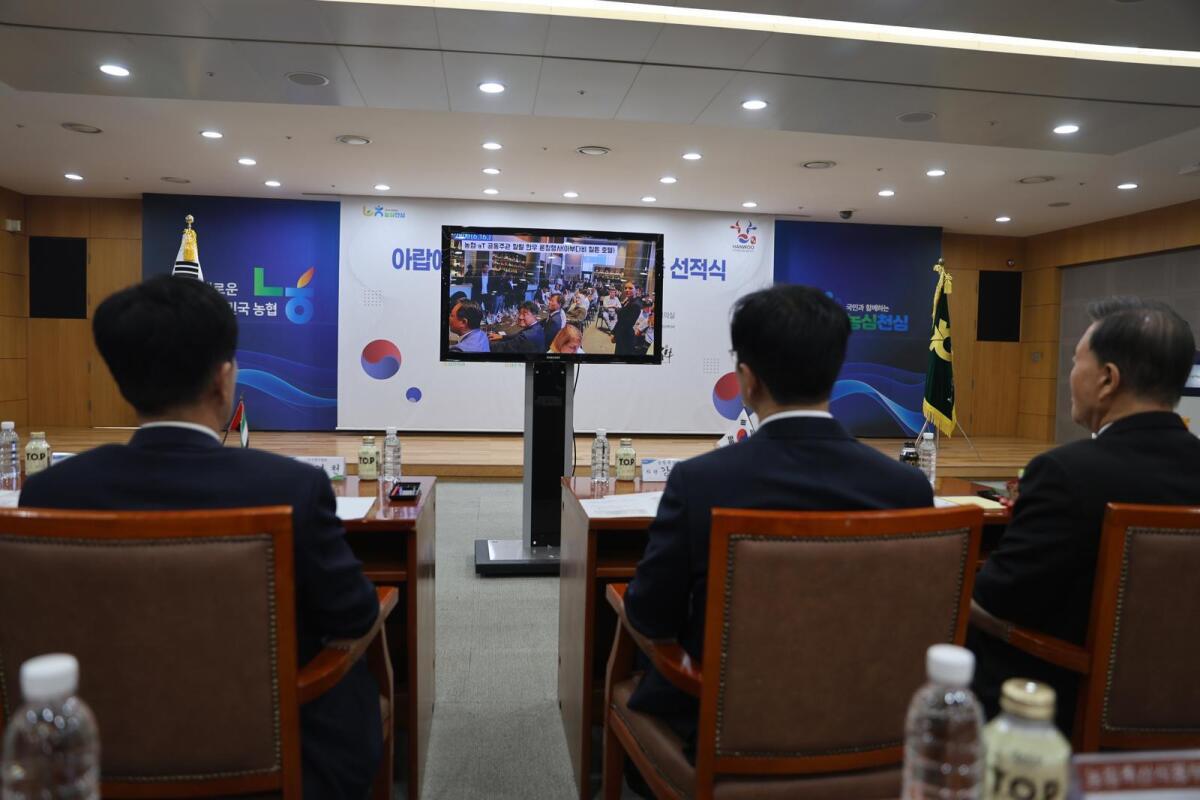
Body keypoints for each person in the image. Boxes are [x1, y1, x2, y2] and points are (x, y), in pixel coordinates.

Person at [18, 276, 383, 799]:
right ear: (223, 378)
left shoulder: (50, 492)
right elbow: (356, 616)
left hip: (95, 754)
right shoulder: (291, 489)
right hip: (279, 759)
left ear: (122, 381)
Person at [622, 284, 934, 755]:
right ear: (835, 373)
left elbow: (650, 615)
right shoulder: (907, 489)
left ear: (747, 381)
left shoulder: (699, 484)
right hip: (866, 723)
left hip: (727, 730)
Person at [969, 297, 1200, 733]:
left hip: (1061, 710)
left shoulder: (1065, 474)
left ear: (1108, 379)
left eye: (1076, 362)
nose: (1070, 376)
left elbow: (993, 601)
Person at [611, 282, 643, 355]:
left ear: (637, 290)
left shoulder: (636, 304)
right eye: (625, 288)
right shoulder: (629, 301)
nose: (627, 290)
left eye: (630, 288)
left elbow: (626, 323)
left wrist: (615, 335)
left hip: (626, 338)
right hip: (622, 336)